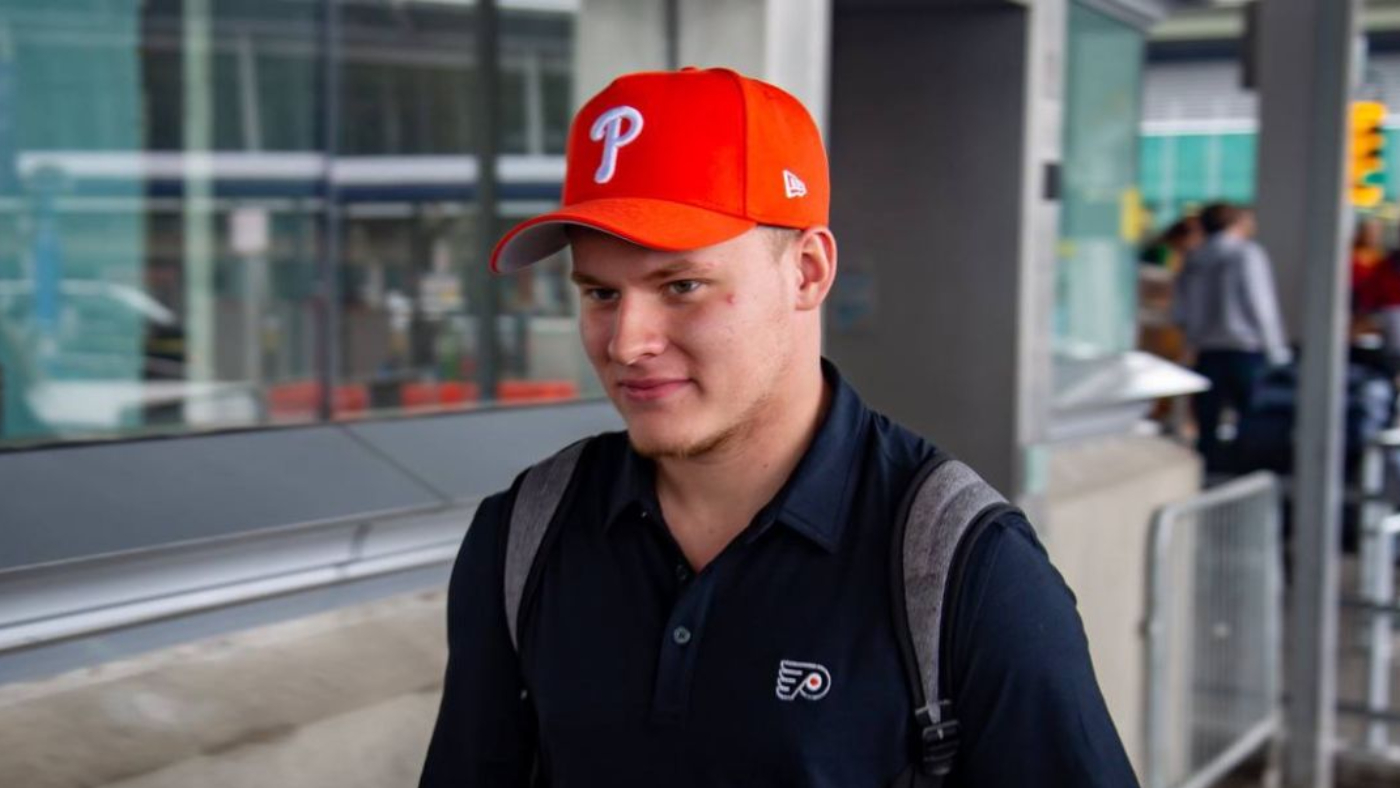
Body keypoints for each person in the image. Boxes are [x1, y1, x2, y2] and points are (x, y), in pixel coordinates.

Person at [419, 67, 1137, 787]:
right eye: (601, 293)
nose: (628, 342)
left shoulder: (963, 568)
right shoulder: (524, 537)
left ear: (808, 272)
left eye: (682, 286)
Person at [1173, 202, 1290, 474]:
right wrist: (1276, 349)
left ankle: (1209, 473)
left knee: (1208, 421)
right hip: (1244, 349)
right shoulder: (1246, 253)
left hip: (1206, 350)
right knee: (1251, 418)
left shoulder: (1195, 257)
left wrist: (1191, 338)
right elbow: (1260, 304)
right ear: (1235, 223)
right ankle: (1242, 473)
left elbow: (1181, 310)